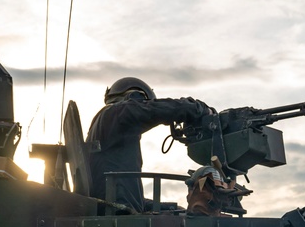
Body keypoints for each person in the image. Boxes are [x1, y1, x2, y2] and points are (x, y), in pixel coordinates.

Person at [86, 77, 212, 212]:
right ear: (134, 97)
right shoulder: (115, 114)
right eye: (141, 103)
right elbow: (152, 110)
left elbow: (131, 199)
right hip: (118, 215)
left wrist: (172, 208)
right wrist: (195, 108)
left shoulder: (110, 128)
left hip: (115, 211)